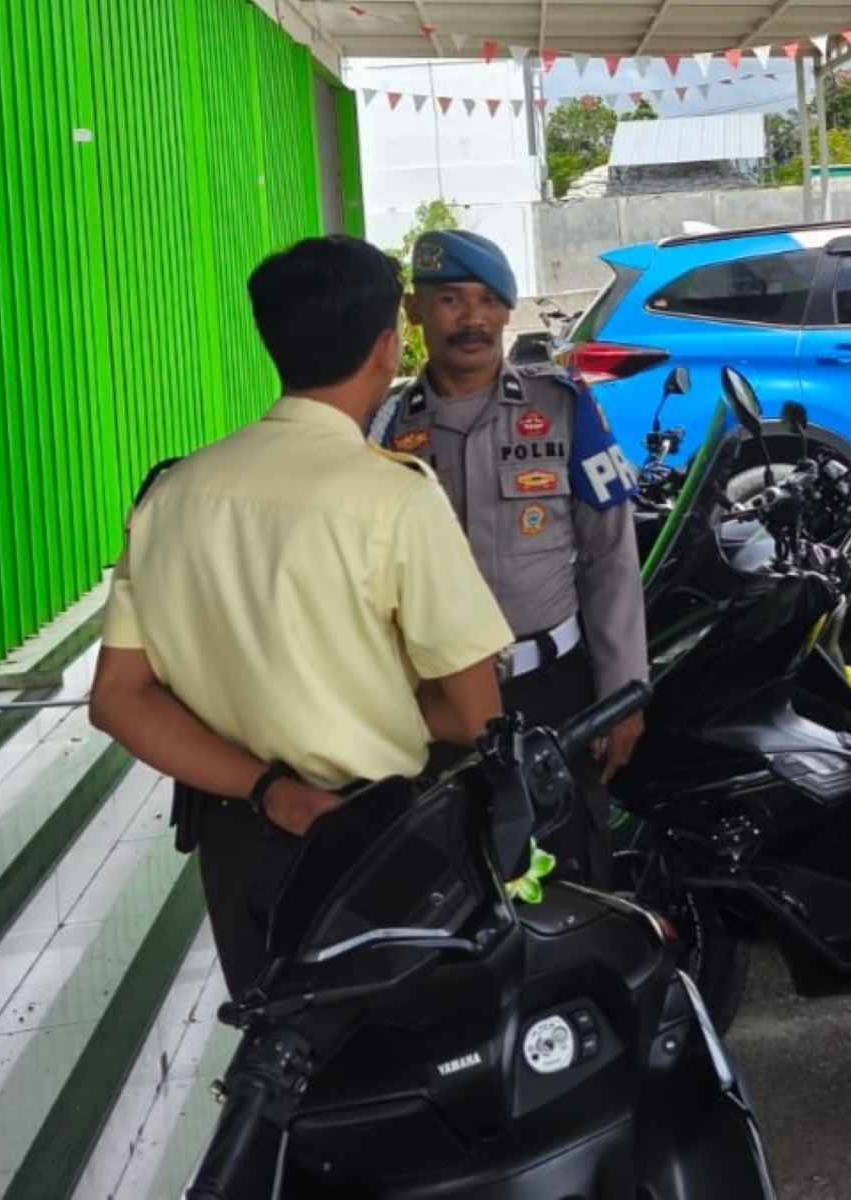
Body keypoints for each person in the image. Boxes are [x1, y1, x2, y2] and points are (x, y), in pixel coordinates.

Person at [90, 234, 515, 999]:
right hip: (376, 842)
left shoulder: (173, 495)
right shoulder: (394, 499)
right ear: (386, 348)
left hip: (237, 842)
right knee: (399, 1051)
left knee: (275, 1043)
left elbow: (119, 698)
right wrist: (382, 704)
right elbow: (473, 715)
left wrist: (269, 790)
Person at [369, 230, 647, 880]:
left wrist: (623, 693)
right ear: (414, 311)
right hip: (433, 701)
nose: (472, 319)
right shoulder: (383, 426)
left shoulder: (563, 406)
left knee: (570, 868)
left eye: (489, 300)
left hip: (554, 691)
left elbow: (610, 556)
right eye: (450, 299)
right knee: (449, 874)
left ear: (506, 310)